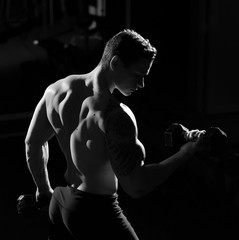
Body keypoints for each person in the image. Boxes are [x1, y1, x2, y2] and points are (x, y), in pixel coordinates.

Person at [24, 29, 205, 239]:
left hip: (60, 203)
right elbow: (137, 186)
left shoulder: (55, 91)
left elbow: (33, 144)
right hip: (95, 211)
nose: (141, 84)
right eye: (137, 75)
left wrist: (43, 189)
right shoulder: (115, 115)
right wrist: (186, 153)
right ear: (116, 62)